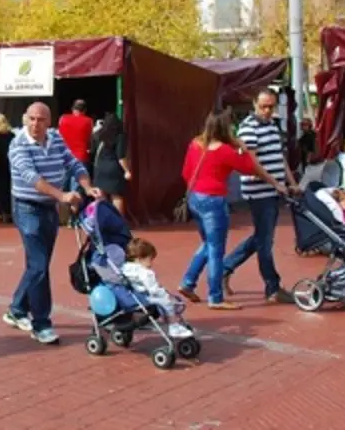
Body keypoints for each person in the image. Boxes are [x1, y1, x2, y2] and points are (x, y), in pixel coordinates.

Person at [2, 101, 95, 345]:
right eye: (31, 119)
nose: (35, 124)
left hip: (49, 209)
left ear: (49, 122)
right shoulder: (18, 144)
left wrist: (87, 187)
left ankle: (16, 309)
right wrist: (63, 196)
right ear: (25, 120)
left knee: (37, 265)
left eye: (40, 119)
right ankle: (41, 324)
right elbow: (32, 178)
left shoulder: (55, 138)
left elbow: (73, 164)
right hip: (27, 208)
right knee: (39, 265)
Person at [177, 111, 286, 310]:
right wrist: (242, 148)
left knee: (207, 243)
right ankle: (215, 297)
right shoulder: (225, 150)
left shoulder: (195, 144)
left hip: (194, 197)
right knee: (216, 250)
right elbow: (248, 167)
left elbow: (186, 172)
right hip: (214, 200)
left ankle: (188, 281)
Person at [223, 89, 298, 304]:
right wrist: (275, 183)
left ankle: (225, 268)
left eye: (271, 106)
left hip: (274, 190)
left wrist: (291, 182)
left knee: (261, 237)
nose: (267, 111)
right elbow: (252, 163)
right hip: (258, 192)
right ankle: (272, 287)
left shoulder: (273, 126)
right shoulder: (248, 127)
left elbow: (279, 157)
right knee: (265, 241)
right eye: (263, 106)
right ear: (255, 103)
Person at [121, 238, 194, 339]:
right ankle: (174, 326)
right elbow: (154, 290)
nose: (151, 263)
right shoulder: (146, 273)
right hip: (146, 297)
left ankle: (170, 319)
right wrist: (166, 294)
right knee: (168, 302)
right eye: (150, 259)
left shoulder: (125, 268)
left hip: (136, 296)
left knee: (167, 301)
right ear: (139, 259)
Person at [91, 112, 131, 217]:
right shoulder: (120, 136)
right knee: (116, 196)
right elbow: (121, 156)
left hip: (99, 167)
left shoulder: (98, 134)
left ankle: (100, 221)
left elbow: (92, 150)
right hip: (113, 168)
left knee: (100, 196)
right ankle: (118, 223)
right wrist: (127, 171)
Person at [57, 99, 94, 165]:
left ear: (72, 108)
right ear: (85, 110)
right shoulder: (88, 121)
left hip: (65, 157)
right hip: (81, 157)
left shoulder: (62, 118)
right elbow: (90, 140)